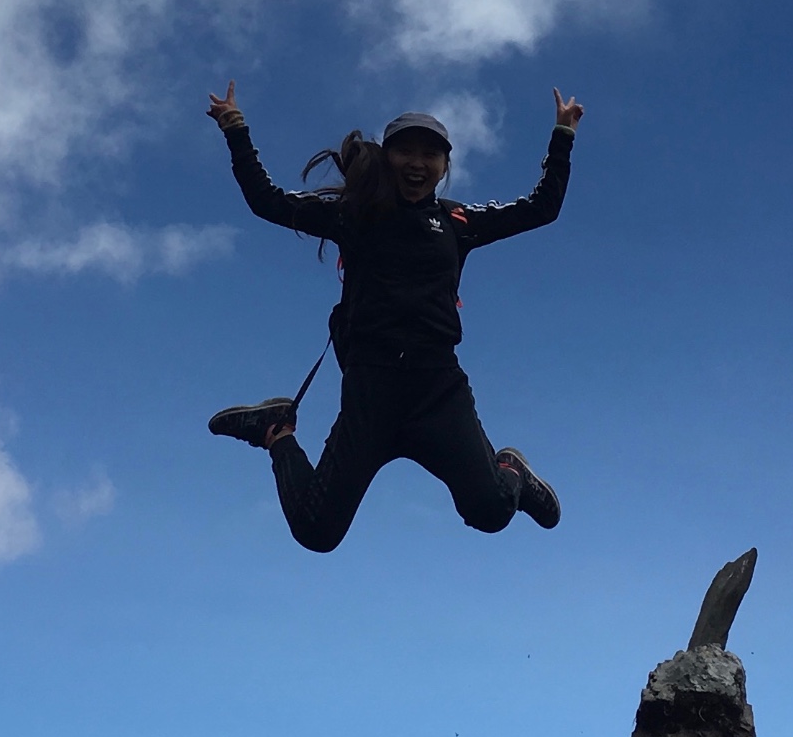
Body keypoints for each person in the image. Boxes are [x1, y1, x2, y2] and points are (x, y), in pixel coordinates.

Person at [204, 82, 583, 550]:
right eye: (405, 151)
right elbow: (268, 201)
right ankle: (274, 432)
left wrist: (562, 137)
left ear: (445, 166)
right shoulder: (352, 214)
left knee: (490, 513)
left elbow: (541, 209)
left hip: (437, 390)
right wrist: (235, 129)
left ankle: (512, 473)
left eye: (431, 154)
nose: (417, 164)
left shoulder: (457, 221)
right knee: (316, 531)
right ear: (386, 158)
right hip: (371, 390)